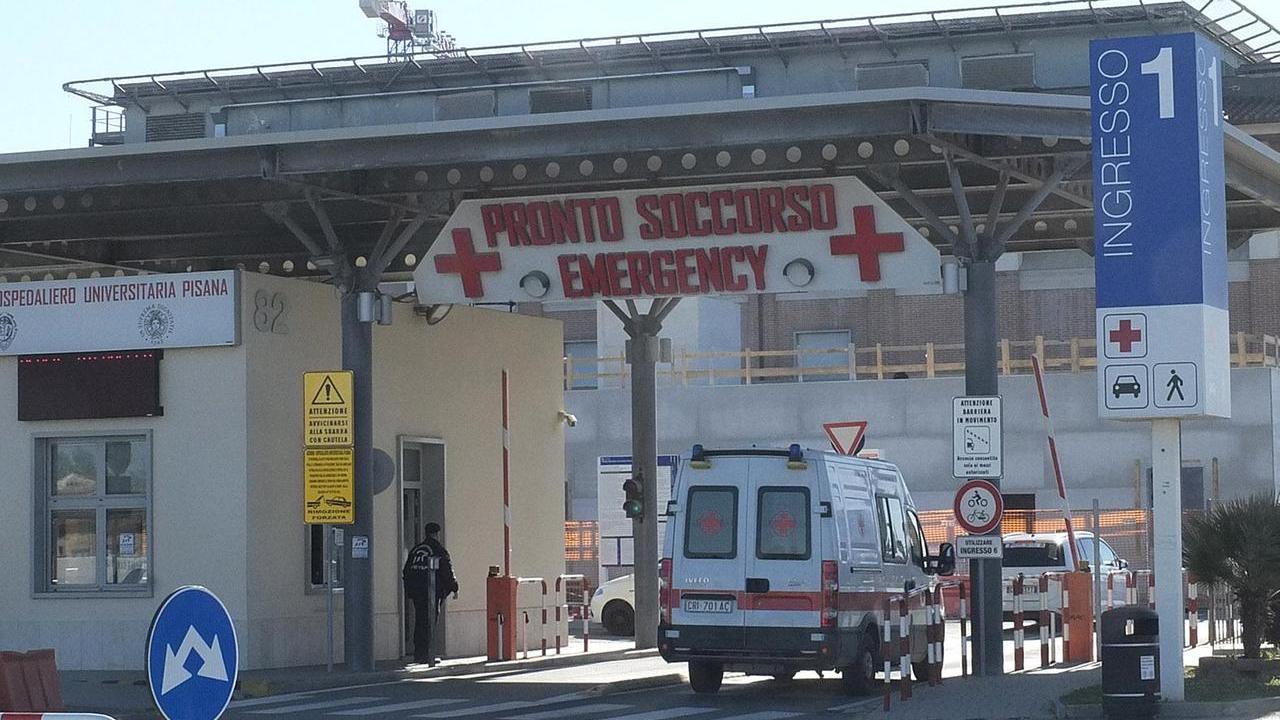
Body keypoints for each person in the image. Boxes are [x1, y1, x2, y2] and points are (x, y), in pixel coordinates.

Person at [402, 522, 459, 665]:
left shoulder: (416, 550)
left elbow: (406, 571)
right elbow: (446, 571)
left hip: (417, 592)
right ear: (437, 534)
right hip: (432, 592)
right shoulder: (438, 550)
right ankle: (428, 654)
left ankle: (419, 653)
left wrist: (410, 590)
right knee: (429, 622)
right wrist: (454, 587)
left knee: (420, 621)